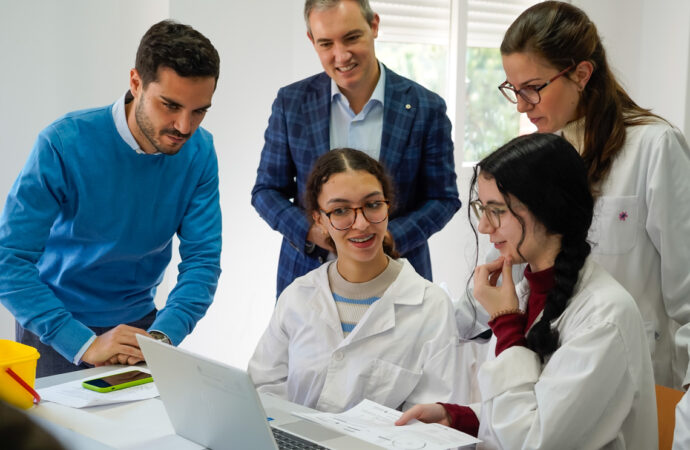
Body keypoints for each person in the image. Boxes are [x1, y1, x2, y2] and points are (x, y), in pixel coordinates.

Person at [397, 133, 657, 449]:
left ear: (548, 209)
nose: (484, 227)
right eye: (483, 209)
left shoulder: (604, 318)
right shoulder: (525, 292)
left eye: (498, 210)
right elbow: (532, 403)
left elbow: (536, 441)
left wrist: (506, 325)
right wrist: (462, 417)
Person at [0, 20, 222, 377]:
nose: (184, 126)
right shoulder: (63, 143)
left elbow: (203, 261)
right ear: (136, 83)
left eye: (199, 111)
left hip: (143, 331)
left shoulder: (200, 152)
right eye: (170, 105)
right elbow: (8, 261)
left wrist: (163, 337)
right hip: (56, 331)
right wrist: (83, 343)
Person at [488, 0, 690, 389]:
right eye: (513, 90)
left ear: (581, 74)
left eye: (533, 88)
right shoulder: (534, 154)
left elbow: (687, 290)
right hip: (551, 368)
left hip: (634, 374)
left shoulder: (654, 146)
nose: (522, 105)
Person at [251, 0, 460, 297]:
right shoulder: (291, 103)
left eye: (351, 38)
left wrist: (387, 237)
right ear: (312, 40)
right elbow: (266, 191)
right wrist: (312, 232)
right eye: (326, 43)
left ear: (374, 25)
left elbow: (443, 198)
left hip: (399, 279)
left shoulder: (426, 107)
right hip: (307, 277)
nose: (341, 55)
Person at [248, 148, 471, 412]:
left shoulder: (431, 306)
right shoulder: (298, 296)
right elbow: (261, 389)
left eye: (373, 205)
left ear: (388, 206)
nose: (362, 223)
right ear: (319, 219)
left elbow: (432, 417)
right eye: (341, 210)